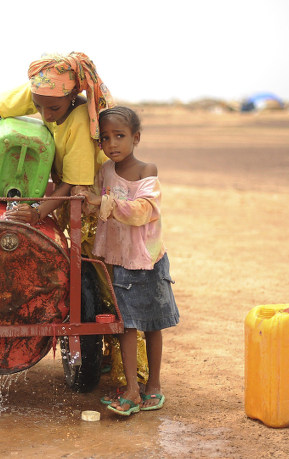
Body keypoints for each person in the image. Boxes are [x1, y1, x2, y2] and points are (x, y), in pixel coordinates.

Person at [77, 106, 179, 415]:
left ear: (135, 137)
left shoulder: (148, 171)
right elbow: (92, 199)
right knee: (126, 326)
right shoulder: (106, 171)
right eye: (105, 138)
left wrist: (102, 202)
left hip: (147, 261)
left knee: (153, 325)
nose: (112, 144)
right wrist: (84, 198)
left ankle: (155, 386)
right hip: (119, 260)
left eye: (119, 136)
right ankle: (133, 391)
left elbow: (143, 210)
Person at [0, 51, 113, 229]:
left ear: (72, 95)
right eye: (38, 107)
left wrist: (38, 213)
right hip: (65, 189)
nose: (46, 114)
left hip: (90, 196)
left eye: (54, 108)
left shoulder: (80, 121)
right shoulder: (44, 93)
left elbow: (72, 182)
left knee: (86, 251)